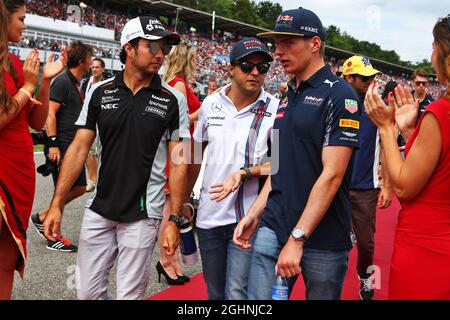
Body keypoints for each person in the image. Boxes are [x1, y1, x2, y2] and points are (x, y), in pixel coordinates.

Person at [43, 16, 190, 300]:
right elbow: (78, 148)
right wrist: (56, 203)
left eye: (164, 48)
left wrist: (173, 220)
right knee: (86, 293)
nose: (161, 54)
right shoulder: (99, 91)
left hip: (143, 213)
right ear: (130, 48)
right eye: (153, 46)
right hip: (99, 208)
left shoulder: (174, 99)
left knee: (129, 296)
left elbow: (180, 160)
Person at [234, 7, 361, 300]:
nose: (278, 51)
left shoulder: (341, 95)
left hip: (323, 238)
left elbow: (332, 175)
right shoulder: (287, 95)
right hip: (274, 227)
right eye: (277, 43)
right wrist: (255, 214)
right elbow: (277, 164)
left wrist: (298, 237)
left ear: (314, 43)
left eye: (288, 42)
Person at [365, 14, 450, 300]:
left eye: (434, 46)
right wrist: (413, 131)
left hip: (427, 248)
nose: (431, 54)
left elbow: (404, 186)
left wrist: (387, 129)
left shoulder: (440, 112)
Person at [189, 37, 279, 299]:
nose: (255, 72)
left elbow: (283, 163)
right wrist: (181, 204)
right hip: (208, 216)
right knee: (215, 293)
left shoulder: (275, 108)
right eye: (247, 65)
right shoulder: (210, 103)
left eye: (262, 68)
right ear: (230, 68)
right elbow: (193, 155)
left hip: (248, 219)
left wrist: (246, 173)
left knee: (237, 293)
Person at [0, 0, 66, 299]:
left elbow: (36, 121)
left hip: (21, 166)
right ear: (4, 19)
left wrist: (44, 82)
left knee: (6, 258)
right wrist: (27, 87)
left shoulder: (15, 64)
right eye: (21, 18)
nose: (25, 25)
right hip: (3, 164)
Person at [30, 41, 93, 252]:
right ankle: (52, 236)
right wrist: (53, 143)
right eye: (90, 58)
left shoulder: (75, 82)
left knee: (80, 187)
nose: (92, 62)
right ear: (82, 61)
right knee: (62, 189)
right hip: (61, 144)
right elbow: (50, 113)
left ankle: (42, 216)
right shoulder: (63, 81)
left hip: (72, 145)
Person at [342, 55, 392, 300]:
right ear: (348, 78)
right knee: (328, 241)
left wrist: (387, 184)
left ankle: (365, 277)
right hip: (334, 184)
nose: (370, 82)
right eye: (365, 78)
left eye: (372, 77)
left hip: (365, 186)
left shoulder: (377, 106)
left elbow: (386, 143)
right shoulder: (333, 101)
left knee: (366, 242)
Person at [156, 42, 201, 285]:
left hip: (184, 149)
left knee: (175, 207)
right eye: (193, 59)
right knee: (170, 210)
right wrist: (205, 108)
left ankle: (171, 261)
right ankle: (167, 260)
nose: (196, 63)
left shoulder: (173, 82)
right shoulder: (180, 85)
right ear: (185, 59)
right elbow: (181, 120)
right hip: (181, 151)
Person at [83, 57, 105, 192]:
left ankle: (100, 179)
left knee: (101, 152)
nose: (94, 69)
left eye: (97, 67)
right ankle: (92, 179)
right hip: (88, 121)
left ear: (102, 69)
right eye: (93, 67)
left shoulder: (106, 84)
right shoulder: (86, 82)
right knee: (89, 151)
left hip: (102, 121)